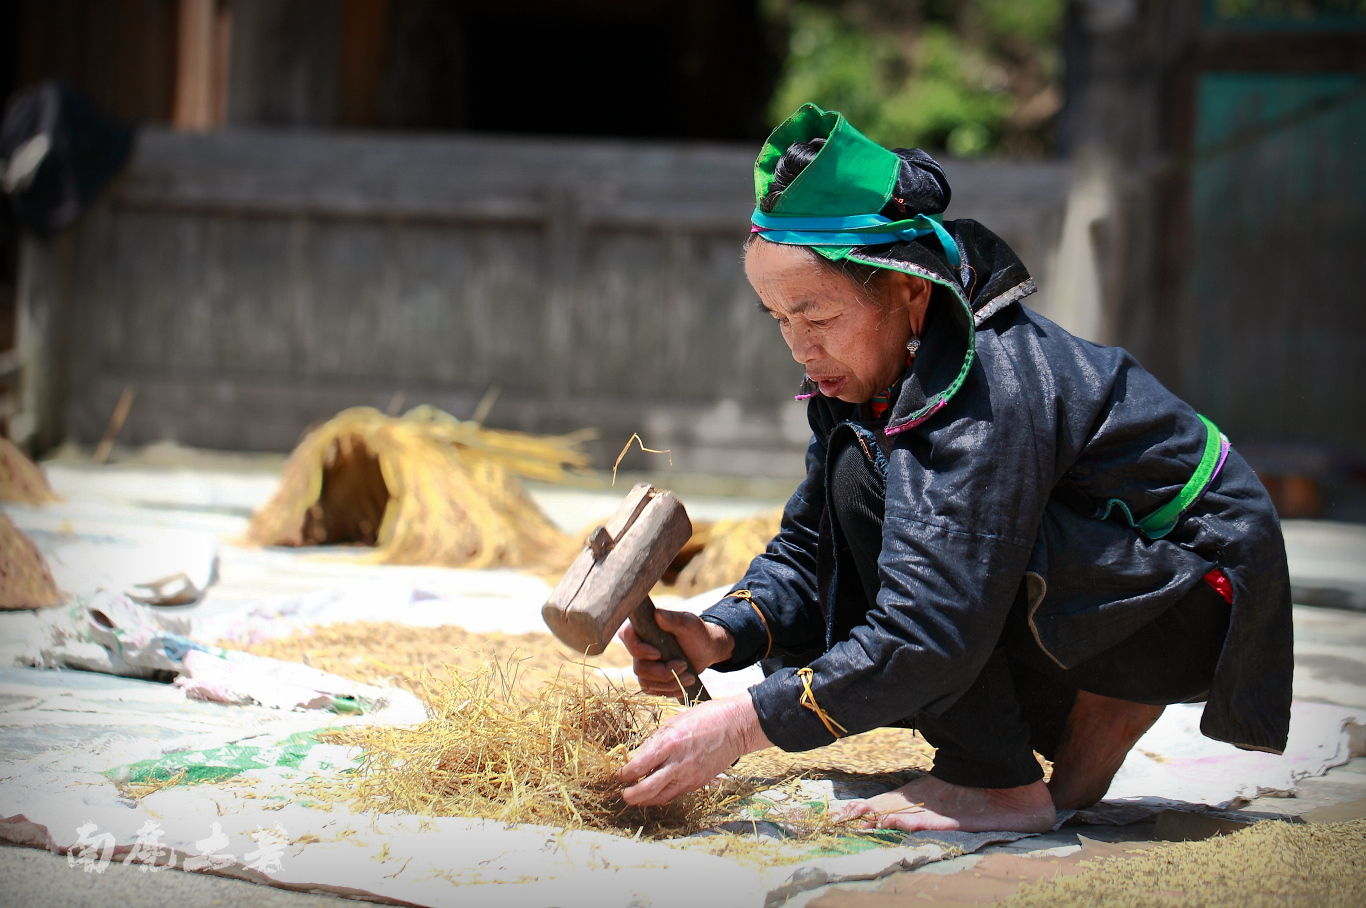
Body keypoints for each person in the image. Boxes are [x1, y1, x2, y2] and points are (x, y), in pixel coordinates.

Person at [614, 103, 1293, 833]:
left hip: (1193, 593)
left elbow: (931, 623)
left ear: (908, 290)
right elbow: (815, 545)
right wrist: (724, 635)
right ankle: (1088, 713)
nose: (798, 349)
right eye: (778, 319)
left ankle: (996, 782)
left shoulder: (986, 389)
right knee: (856, 533)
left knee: (878, 502)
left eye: (816, 318)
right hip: (1120, 578)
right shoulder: (868, 373)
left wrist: (745, 725)